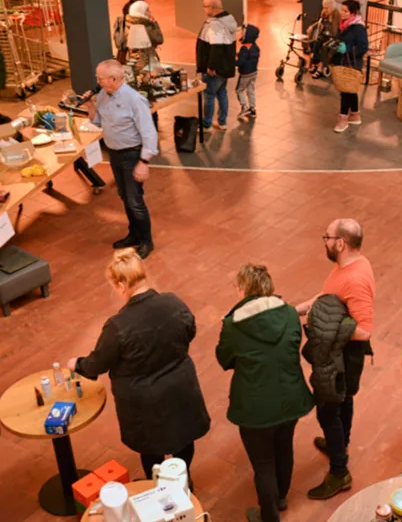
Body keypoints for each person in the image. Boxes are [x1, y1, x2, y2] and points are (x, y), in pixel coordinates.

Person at [68, 249, 210, 481]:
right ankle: (183, 481)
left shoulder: (118, 325)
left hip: (145, 401)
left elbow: (99, 363)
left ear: (122, 286)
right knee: (184, 440)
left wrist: (79, 364)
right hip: (180, 388)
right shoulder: (174, 303)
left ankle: (158, 486)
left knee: (151, 450)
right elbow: (190, 331)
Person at [217, 264, 313, 522]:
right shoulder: (291, 314)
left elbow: (224, 359)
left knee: (263, 464)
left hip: (254, 406)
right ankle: (281, 496)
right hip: (292, 397)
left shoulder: (233, 324)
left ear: (243, 290)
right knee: (284, 446)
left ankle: (269, 516)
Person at [295, 218, 375, 499]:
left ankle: (339, 472)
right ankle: (340, 444)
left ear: (340, 243)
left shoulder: (355, 278)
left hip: (342, 357)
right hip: (338, 354)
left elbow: (364, 330)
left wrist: (324, 330)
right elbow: (328, 294)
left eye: (326, 237)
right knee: (343, 402)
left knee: (328, 410)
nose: (325, 241)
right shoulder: (349, 265)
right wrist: (301, 309)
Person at [86, 60, 158, 259]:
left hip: (132, 155)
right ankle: (133, 235)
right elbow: (99, 121)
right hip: (115, 154)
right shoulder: (102, 95)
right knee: (124, 196)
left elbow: (149, 133)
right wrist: (90, 105)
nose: (97, 81)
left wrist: (144, 162)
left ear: (114, 79)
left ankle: (146, 241)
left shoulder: (134, 100)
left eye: (100, 78)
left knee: (135, 200)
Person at [197, 0, 238, 132]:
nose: (203, 9)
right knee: (222, 92)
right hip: (226, 66)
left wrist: (211, 67)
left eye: (205, 6)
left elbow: (216, 47)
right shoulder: (228, 20)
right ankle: (222, 122)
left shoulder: (215, 25)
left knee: (209, 95)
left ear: (211, 8)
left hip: (215, 70)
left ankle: (206, 125)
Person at [332, 0, 368, 133]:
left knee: (346, 91)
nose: (341, 13)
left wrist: (346, 49)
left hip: (352, 63)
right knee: (350, 88)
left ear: (353, 13)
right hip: (344, 61)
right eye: (341, 10)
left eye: (345, 11)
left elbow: (363, 47)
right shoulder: (344, 25)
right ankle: (355, 115)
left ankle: (343, 119)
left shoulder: (358, 28)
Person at [124, 0, 164, 73]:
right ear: (140, 12)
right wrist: (155, 24)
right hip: (145, 62)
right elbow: (159, 39)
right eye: (147, 10)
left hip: (136, 60)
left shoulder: (128, 24)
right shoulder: (144, 26)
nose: (150, 11)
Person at [306, 0, 341, 78]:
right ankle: (316, 63)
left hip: (333, 37)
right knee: (314, 43)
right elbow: (320, 21)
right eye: (324, 7)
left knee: (325, 46)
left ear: (332, 7)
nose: (324, 9)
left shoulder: (337, 14)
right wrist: (311, 27)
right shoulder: (324, 12)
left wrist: (330, 17)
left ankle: (320, 68)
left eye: (326, 7)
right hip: (324, 34)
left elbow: (336, 29)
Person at [114, 0, 145, 64]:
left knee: (123, 50)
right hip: (130, 31)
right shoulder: (133, 8)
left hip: (126, 30)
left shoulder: (127, 6)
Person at [236, 24, 260, 119]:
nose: (241, 34)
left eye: (242, 33)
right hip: (254, 73)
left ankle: (244, 107)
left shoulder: (244, 48)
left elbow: (241, 62)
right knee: (251, 90)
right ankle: (253, 109)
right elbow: (249, 58)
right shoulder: (256, 47)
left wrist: (231, 62)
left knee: (239, 90)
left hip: (245, 74)